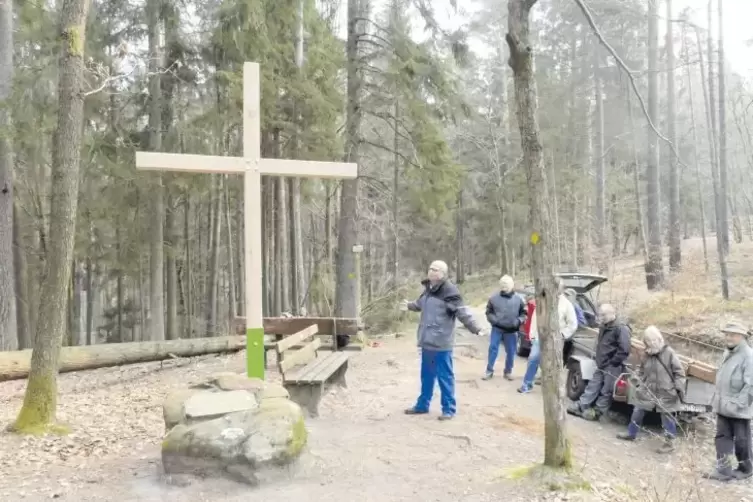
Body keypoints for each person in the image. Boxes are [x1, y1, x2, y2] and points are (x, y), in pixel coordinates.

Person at [400, 260, 484, 420]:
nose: (432, 271)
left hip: (441, 342)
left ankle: (448, 409)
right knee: (426, 376)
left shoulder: (450, 291)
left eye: (436, 270)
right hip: (427, 342)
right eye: (430, 268)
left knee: (445, 376)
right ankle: (422, 405)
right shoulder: (428, 289)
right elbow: (420, 304)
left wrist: (476, 328)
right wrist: (409, 305)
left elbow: (462, 313)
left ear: (443, 274)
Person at [616, 326, 686, 454]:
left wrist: (678, 390)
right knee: (637, 410)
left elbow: (679, 373)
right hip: (648, 390)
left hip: (666, 392)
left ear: (660, 339)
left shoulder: (669, 353)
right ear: (645, 342)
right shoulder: (646, 354)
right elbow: (641, 370)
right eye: (649, 341)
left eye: (655, 340)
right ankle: (631, 433)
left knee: (668, 418)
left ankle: (669, 443)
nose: (652, 343)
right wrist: (637, 382)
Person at [703, 322, 753, 481]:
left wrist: (738, 404)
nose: (728, 337)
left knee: (742, 441)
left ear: (742, 336)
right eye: (727, 334)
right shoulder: (728, 353)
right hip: (723, 405)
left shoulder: (748, 356)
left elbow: (750, 385)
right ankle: (723, 470)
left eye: (732, 334)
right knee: (722, 437)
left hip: (738, 408)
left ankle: (746, 469)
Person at [567, 304, 631, 422]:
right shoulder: (604, 326)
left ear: (612, 313)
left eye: (603, 315)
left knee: (606, 390)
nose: (600, 317)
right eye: (600, 314)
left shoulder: (621, 328)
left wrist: (613, 362)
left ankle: (598, 412)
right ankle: (582, 405)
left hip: (612, 365)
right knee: (593, 385)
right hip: (601, 363)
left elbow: (624, 349)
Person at [517, 281, 578, 394]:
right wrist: (532, 334)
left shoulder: (567, 304)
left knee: (554, 365)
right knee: (533, 359)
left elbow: (573, 324)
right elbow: (535, 318)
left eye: (557, 288)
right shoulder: (543, 300)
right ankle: (527, 384)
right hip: (540, 337)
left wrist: (562, 335)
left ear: (561, 289)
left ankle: (553, 390)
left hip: (556, 340)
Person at [483, 275, 527, 381]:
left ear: (511, 285)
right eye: (502, 284)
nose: (504, 286)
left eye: (506, 284)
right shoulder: (493, 298)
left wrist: (518, 321)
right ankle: (489, 371)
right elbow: (489, 312)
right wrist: (495, 320)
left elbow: (524, 314)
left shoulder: (519, 299)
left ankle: (508, 371)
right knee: (493, 349)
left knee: (511, 351)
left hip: (511, 330)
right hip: (497, 328)